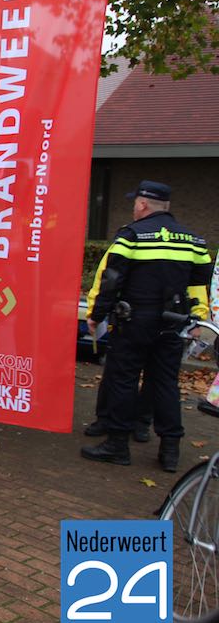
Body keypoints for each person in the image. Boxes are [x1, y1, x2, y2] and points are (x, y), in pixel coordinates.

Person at [81, 180, 212, 472]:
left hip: (134, 322)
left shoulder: (131, 236)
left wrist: (97, 315)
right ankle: (170, 451)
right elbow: (199, 279)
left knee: (123, 380)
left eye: (134, 203)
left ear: (142, 204)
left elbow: (111, 281)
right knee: (165, 384)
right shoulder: (193, 240)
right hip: (172, 324)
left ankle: (117, 445)